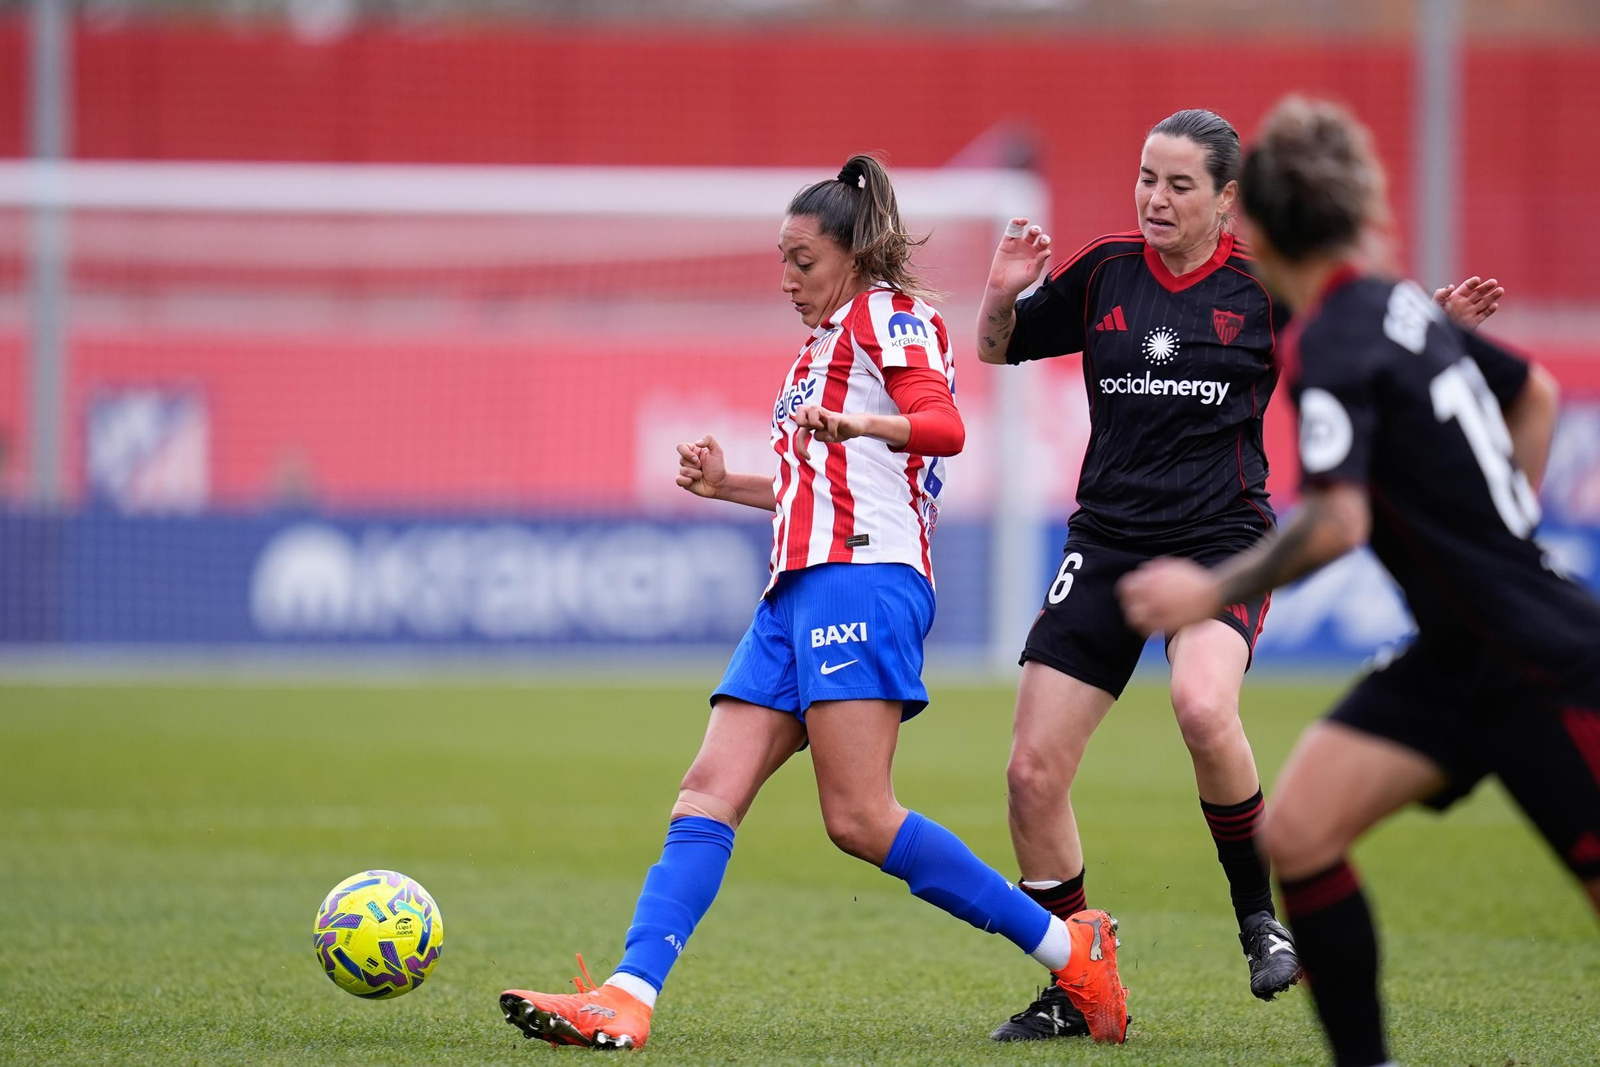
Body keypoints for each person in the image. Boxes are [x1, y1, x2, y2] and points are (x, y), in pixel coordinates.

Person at [499, 155, 1129, 1051]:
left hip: (862, 580)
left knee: (861, 818)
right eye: (781, 259)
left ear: (853, 254)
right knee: (703, 794)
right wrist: (728, 486)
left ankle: (1074, 947)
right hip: (794, 586)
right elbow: (820, 480)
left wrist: (865, 423)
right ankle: (626, 994)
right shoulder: (817, 350)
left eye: (802, 259)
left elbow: (943, 424)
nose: (787, 277)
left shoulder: (891, 316)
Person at [974, 108, 1504, 1042]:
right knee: (1029, 771)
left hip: (1221, 538)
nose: (1155, 198)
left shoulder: (1265, 293)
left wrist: (1442, 328)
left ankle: (1259, 919)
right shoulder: (1105, 273)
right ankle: (1074, 978)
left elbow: (1370, 338)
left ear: (1229, 201)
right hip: (1106, 542)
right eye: (1146, 177)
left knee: (1203, 707)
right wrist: (1003, 293)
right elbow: (995, 345)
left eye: (1180, 184)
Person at [1117, 96, 1597, 1067]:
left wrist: (1205, 595)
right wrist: (1507, 530)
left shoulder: (1328, 337)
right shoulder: (1394, 300)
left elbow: (1338, 521)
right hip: (1456, 659)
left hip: (1542, 663)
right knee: (1296, 833)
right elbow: (1534, 392)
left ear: (1252, 222)